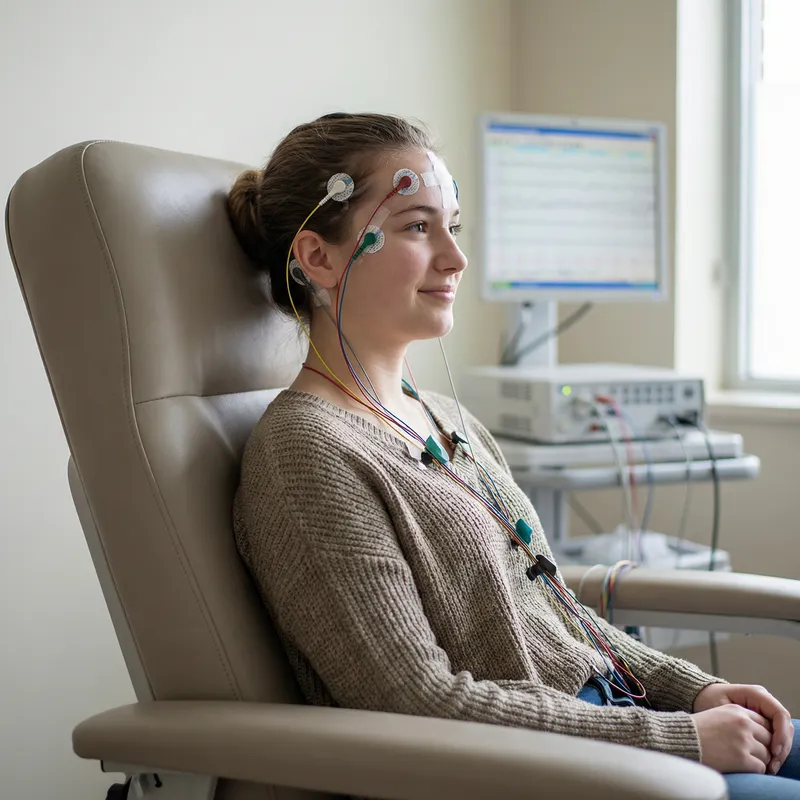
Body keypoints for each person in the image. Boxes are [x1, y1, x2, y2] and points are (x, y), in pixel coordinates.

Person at [227, 112, 799, 798]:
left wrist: (696, 692)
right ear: (318, 257)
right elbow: (417, 703)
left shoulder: (445, 418)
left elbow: (553, 614)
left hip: (612, 728)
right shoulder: (306, 453)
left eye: (453, 226)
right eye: (416, 226)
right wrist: (681, 739)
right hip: (534, 774)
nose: (456, 257)